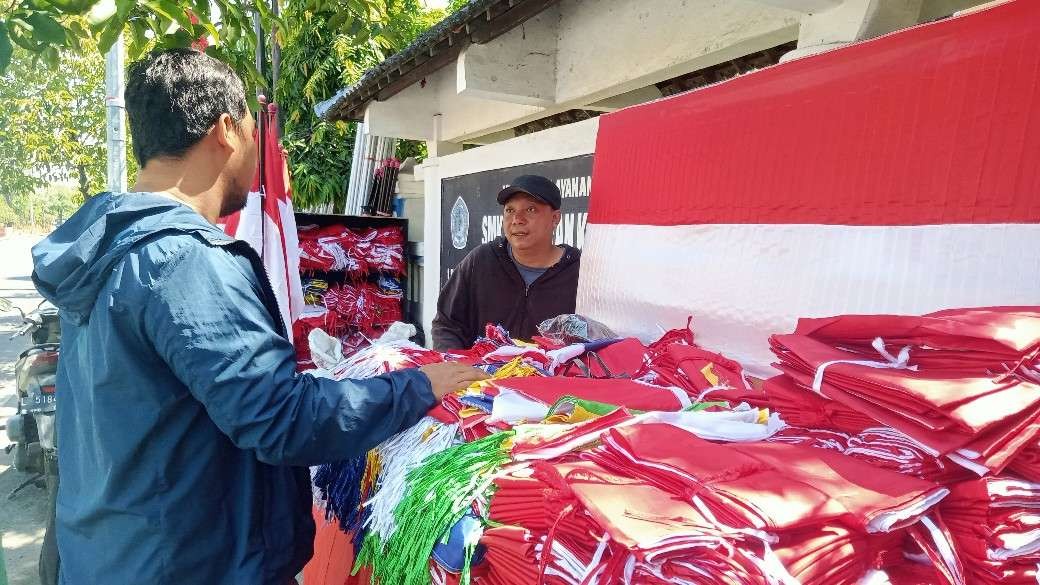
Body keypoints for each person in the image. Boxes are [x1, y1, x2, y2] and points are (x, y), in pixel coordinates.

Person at [30, 48, 486, 585]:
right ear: (225, 129)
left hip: (116, 551)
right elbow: (281, 420)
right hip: (188, 564)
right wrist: (417, 387)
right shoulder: (182, 260)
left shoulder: (113, 248)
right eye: (251, 126)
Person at [432, 175, 581, 350]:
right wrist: (456, 366)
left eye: (531, 210)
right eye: (510, 210)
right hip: (480, 375)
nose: (517, 219)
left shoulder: (579, 271)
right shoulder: (481, 260)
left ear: (555, 218)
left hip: (548, 376)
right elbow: (447, 325)